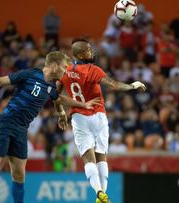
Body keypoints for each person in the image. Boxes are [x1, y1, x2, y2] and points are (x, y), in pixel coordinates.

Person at [0, 51, 100, 203]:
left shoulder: (51, 86)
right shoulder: (31, 74)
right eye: (64, 67)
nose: (66, 71)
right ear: (54, 66)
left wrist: (66, 112)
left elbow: (58, 99)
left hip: (21, 130)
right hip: (5, 123)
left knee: (19, 174)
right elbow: (0, 81)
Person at [56, 39, 146, 203]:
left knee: (88, 158)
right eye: (89, 50)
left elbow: (56, 94)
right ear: (81, 54)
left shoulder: (66, 70)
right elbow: (114, 85)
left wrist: (61, 112)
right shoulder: (92, 70)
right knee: (101, 157)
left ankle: (99, 193)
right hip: (98, 115)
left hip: (78, 117)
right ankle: (102, 194)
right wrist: (133, 86)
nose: (92, 52)